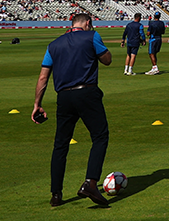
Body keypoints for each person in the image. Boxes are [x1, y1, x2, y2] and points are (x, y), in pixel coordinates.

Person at [32, 13, 112, 207]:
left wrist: (37, 104)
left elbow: (43, 78)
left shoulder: (54, 45)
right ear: (88, 23)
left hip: (64, 97)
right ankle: (91, 183)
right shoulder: (92, 36)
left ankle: (56, 194)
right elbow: (107, 60)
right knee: (100, 137)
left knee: (61, 145)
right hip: (87, 93)